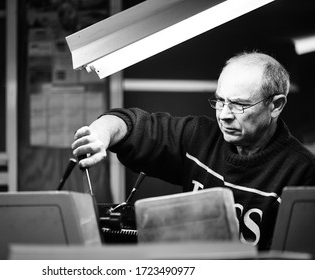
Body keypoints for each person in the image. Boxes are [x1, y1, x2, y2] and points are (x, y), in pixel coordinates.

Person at [71, 51, 315, 250]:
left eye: (239, 105)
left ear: (276, 105)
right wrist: (100, 135)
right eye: (220, 101)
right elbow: (131, 124)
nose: (224, 115)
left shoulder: (303, 174)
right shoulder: (198, 137)